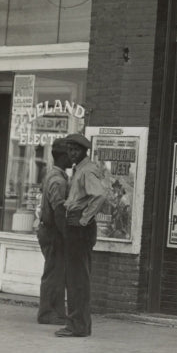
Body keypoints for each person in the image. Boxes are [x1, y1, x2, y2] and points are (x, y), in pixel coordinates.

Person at [56, 133, 107, 338]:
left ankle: (77, 326)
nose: (71, 153)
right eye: (69, 149)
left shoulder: (87, 170)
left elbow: (100, 195)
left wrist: (84, 219)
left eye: (75, 149)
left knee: (78, 278)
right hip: (74, 224)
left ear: (84, 151)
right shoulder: (79, 170)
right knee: (75, 277)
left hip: (79, 227)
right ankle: (78, 324)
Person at [35, 138, 70, 324]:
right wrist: (66, 234)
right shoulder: (58, 181)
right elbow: (58, 211)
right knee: (53, 273)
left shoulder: (51, 175)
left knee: (57, 271)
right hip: (53, 232)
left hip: (48, 230)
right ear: (63, 157)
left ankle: (56, 311)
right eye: (70, 153)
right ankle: (47, 313)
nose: (73, 156)